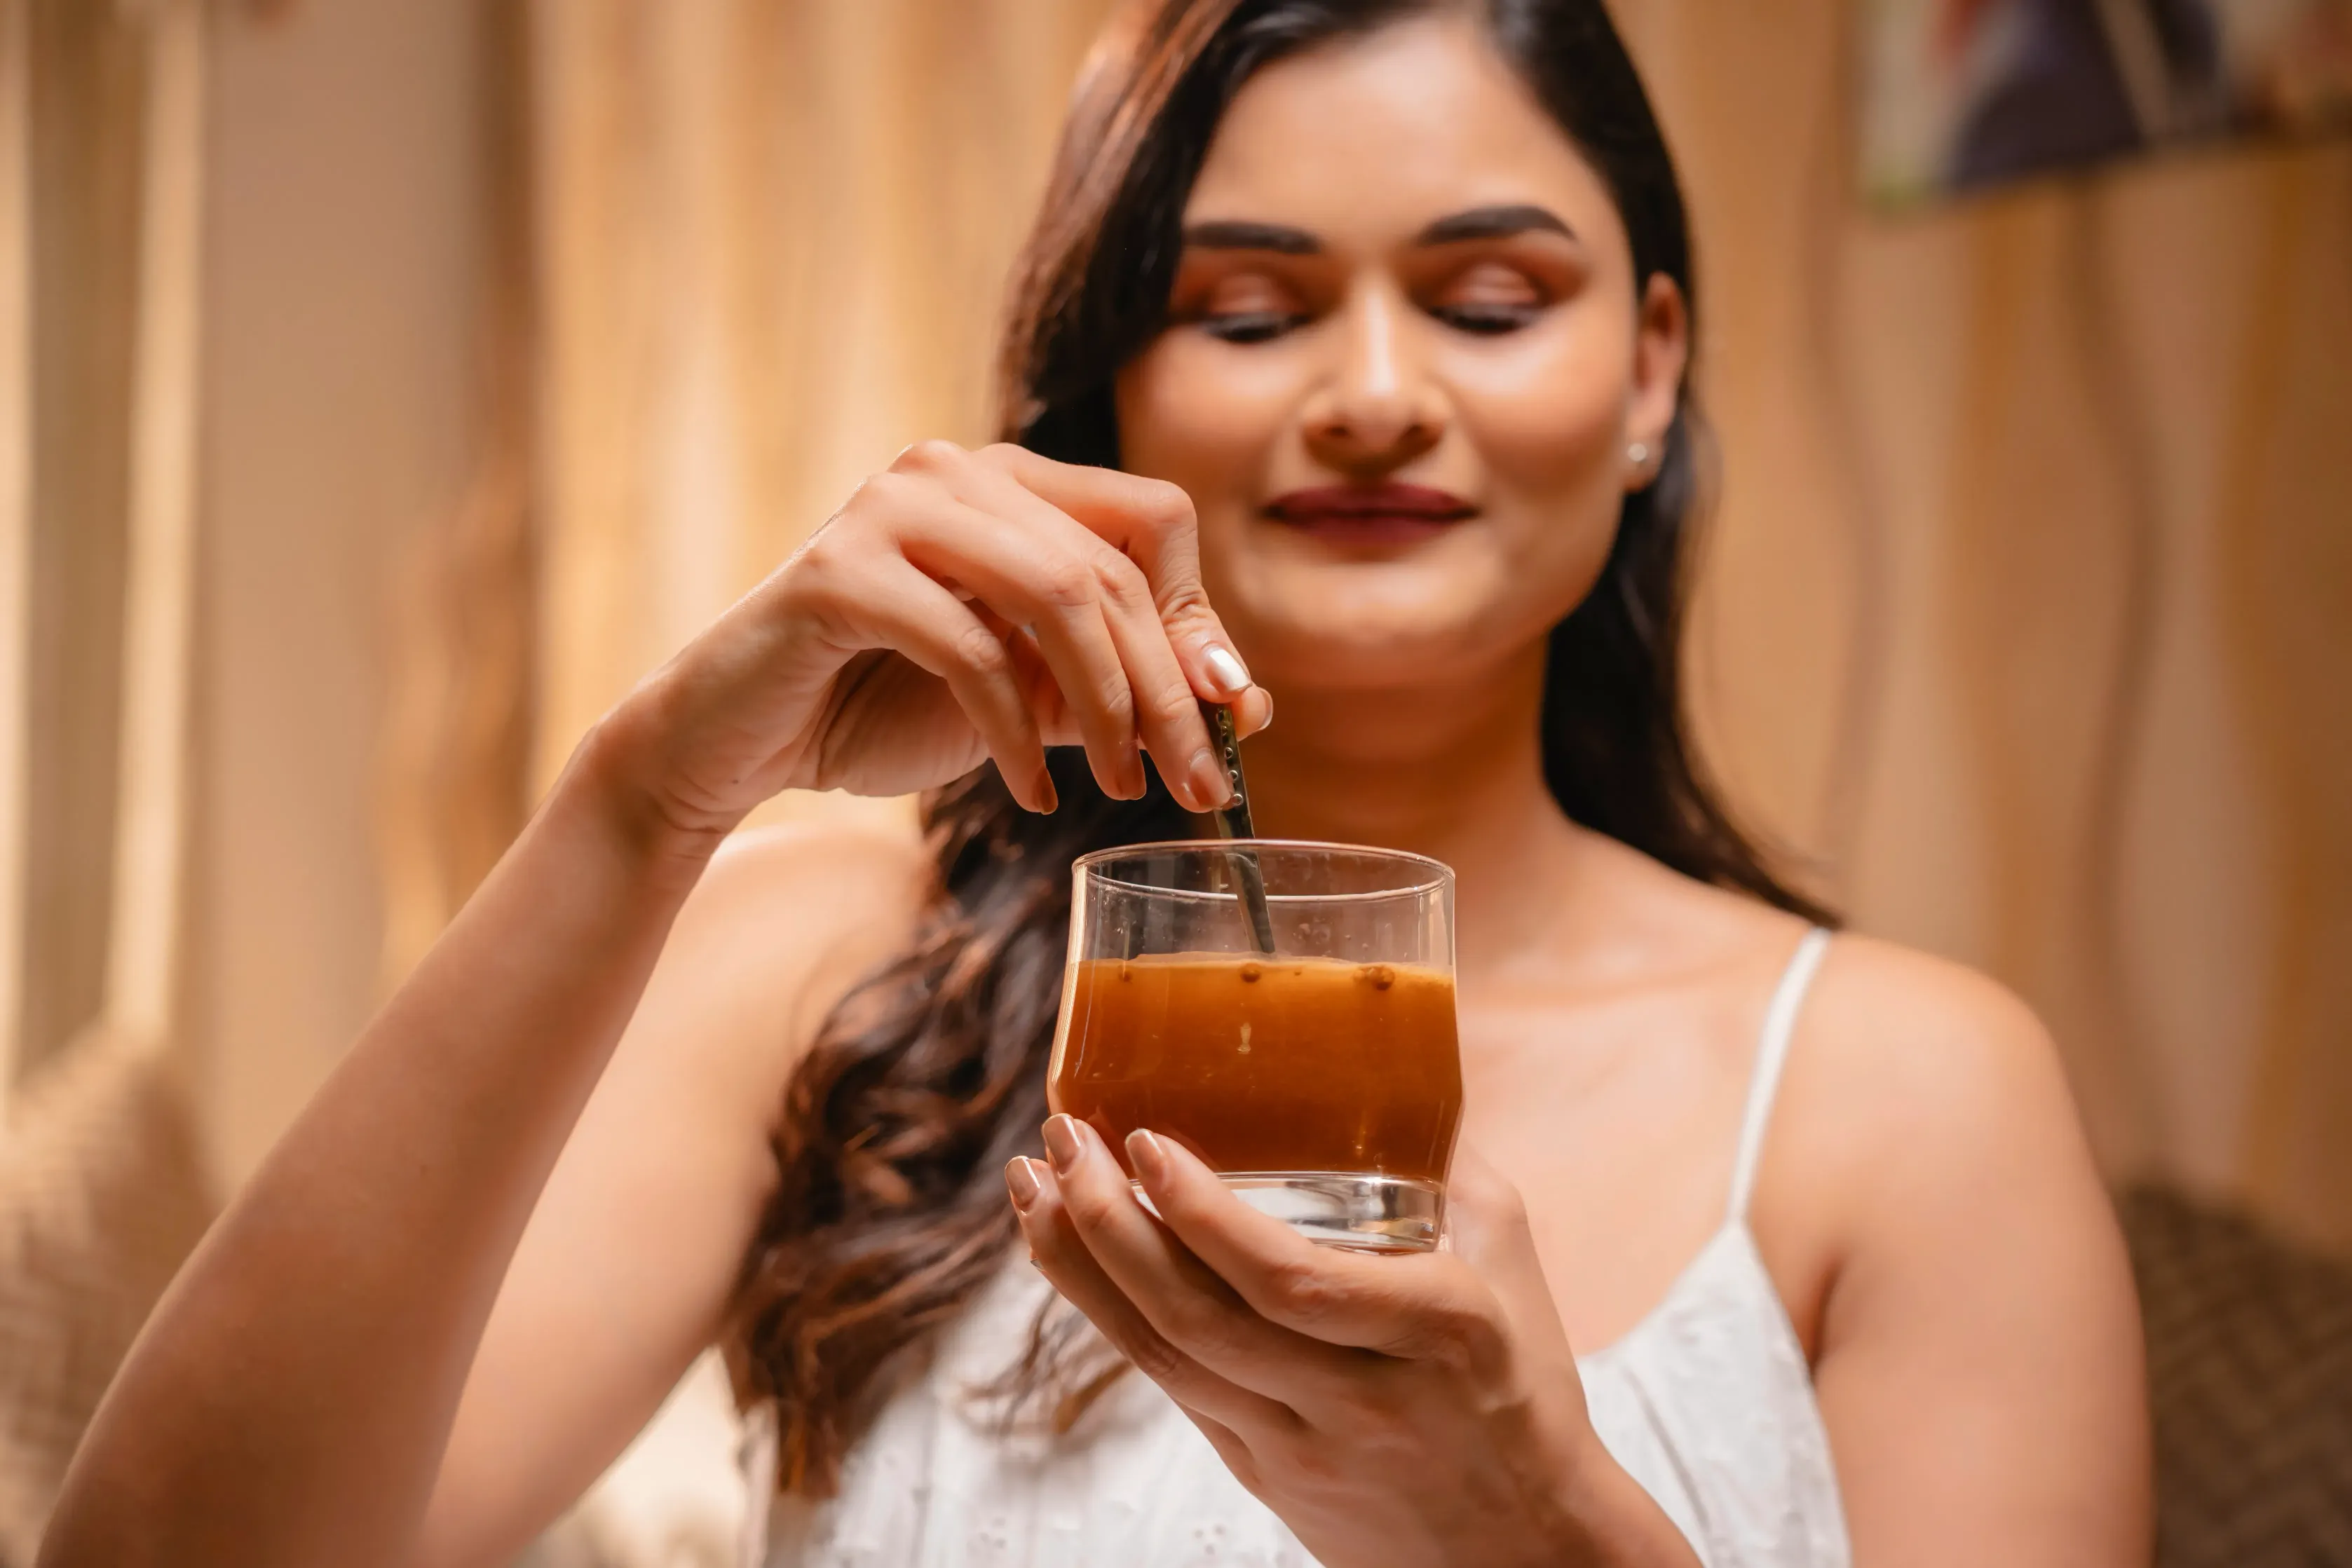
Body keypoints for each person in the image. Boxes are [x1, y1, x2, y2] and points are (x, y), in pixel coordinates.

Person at [40, 2, 2151, 1565]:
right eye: (1248, 309)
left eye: (1492, 298)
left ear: (1649, 370)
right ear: (1116, 390)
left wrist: (1530, 1516)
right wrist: (647, 797)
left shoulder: (1914, 1092)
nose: (1377, 395)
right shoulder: (826, 965)